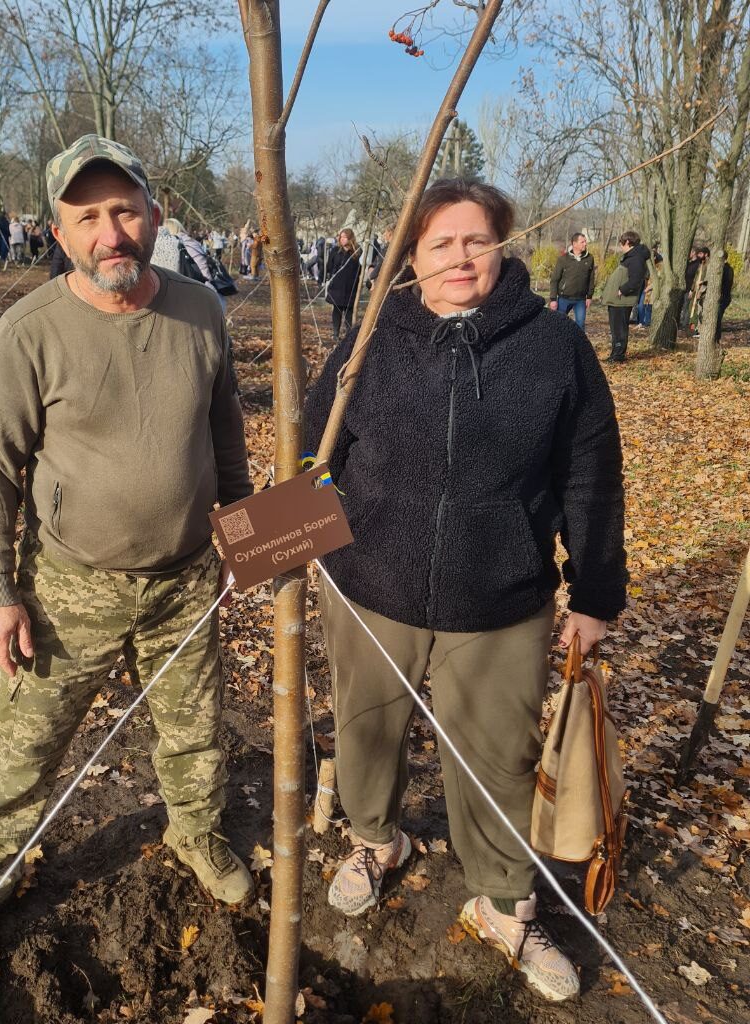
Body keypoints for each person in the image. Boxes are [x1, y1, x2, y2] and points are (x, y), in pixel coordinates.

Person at [0, 135, 255, 965]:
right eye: (89, 217)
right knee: (25, 747)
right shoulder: (29, 331)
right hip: (68, 588)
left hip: (184, 581)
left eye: (125, 210)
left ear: (152, 215)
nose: (112, 232)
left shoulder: (200, 310)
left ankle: (196, 833)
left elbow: (226, 444)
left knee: (195, 733)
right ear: (58, 231)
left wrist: (247, 540)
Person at [305, 178, 626, 1004]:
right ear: (412, 255)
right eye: (440, 243)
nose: (459, 257)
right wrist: (285, 542)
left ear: (502, 247)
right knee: (365, 732)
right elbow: (317, 449)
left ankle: (500, 899)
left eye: (474, 240)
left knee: (497, 761)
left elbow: (591, 474)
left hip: (500, 602)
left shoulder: (555, 350)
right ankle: (378, 842)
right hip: (370, 588)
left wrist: (594, 595)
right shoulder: (369, 341)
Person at [600, 230, 649, 362]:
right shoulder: (631, 257)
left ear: (628, 242)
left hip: (622, 300)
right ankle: (615, 354)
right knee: (616, 330)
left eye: (622, 243)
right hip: (617, 301)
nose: (621, 246)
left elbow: (636, 280)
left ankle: (618, 356)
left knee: (620, 330)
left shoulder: (636, 258)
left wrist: (622, 290)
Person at [548, 232, 595, 330]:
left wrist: (589, 296)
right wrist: (553, 299)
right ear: (574, 244)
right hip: (564, 298)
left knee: (580, 325)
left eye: (585, 241)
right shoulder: (563, 259)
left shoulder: (590, 258)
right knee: (559, 324)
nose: (585, 244)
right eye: (582, 242)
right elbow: (554, 280)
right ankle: (559, 344)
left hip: (580, 300)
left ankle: (579, 345)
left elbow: (591, 278)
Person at [325, 228, 362, 343]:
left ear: (350, 238)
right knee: (337, 309)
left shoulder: (357, 252)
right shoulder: (335, 251)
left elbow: (360, 268)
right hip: (337, 286)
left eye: (344, 237)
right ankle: (335, 334)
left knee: (349, 312)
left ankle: (349, 335)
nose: (342, 239)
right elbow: (329, 267)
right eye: (341, 237)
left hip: (350, 287)